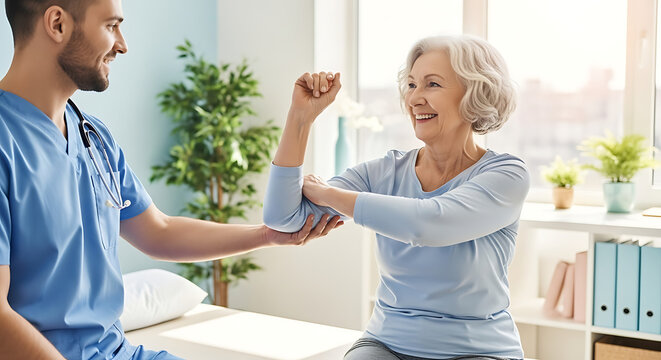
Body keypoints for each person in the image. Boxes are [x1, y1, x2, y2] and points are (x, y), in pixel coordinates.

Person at [0, 0, 343, 359]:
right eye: (111, 26)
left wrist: (267, 235)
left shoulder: (94, 137)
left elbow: (158, 230)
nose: (122, 44)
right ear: (57, 24)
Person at [263, 35, 530, 360]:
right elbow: (284, 219)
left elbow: (430, 223)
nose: (415, 98)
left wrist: (331, 194)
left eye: (432, 84)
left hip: (479, 351)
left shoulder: (506, 175)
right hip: (387, 345)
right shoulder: (384, 172)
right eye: (412, 85)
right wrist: (300, 119)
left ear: (474, 94)